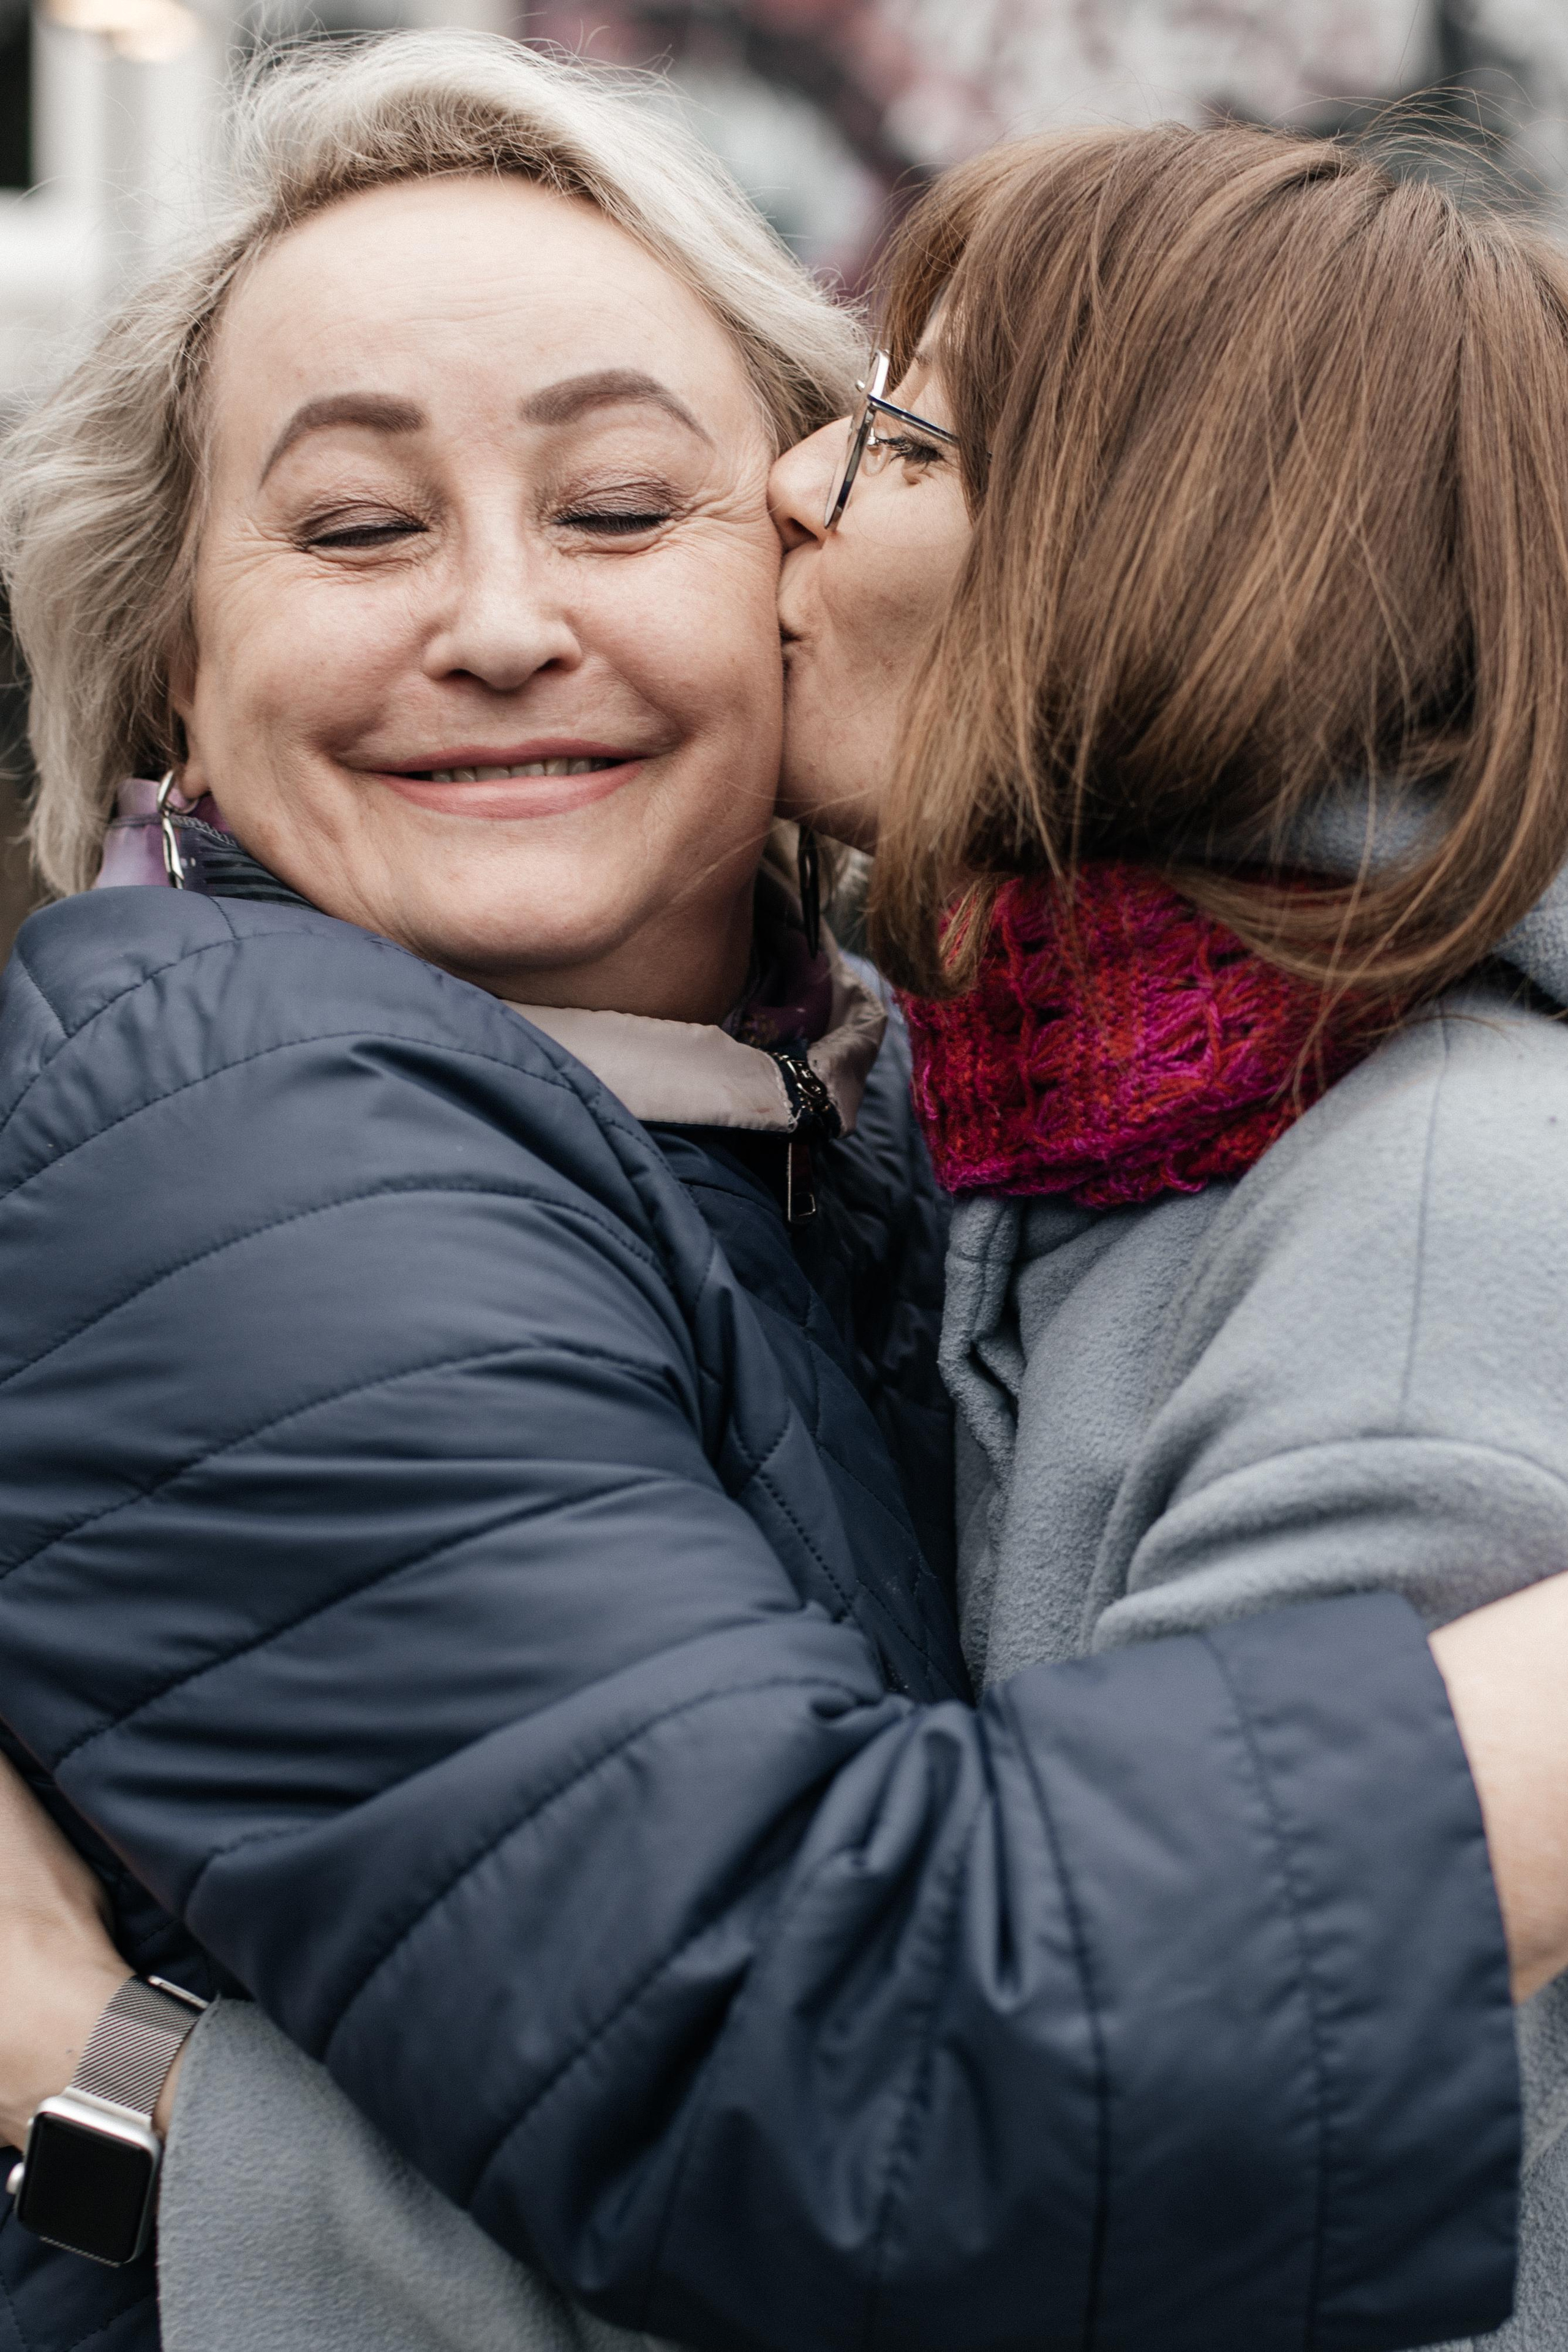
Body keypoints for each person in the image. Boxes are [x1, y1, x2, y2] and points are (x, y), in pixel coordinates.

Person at [0, 39, 1551, 2352]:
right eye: (351, 529)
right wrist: (132, 2139)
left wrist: (110, 2099)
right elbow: (887, 2080)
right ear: (167, 674)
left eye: (630, 504)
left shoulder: (965, 1130)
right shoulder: (238, 1109)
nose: (505, 621)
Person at [768, 120, 1568, 2352]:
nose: (788, 482)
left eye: (903, 439)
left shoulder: (1422, 1230)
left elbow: (1115, 2182)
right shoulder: (1080, 1111)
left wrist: (144, 2111)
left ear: (1167, 556)